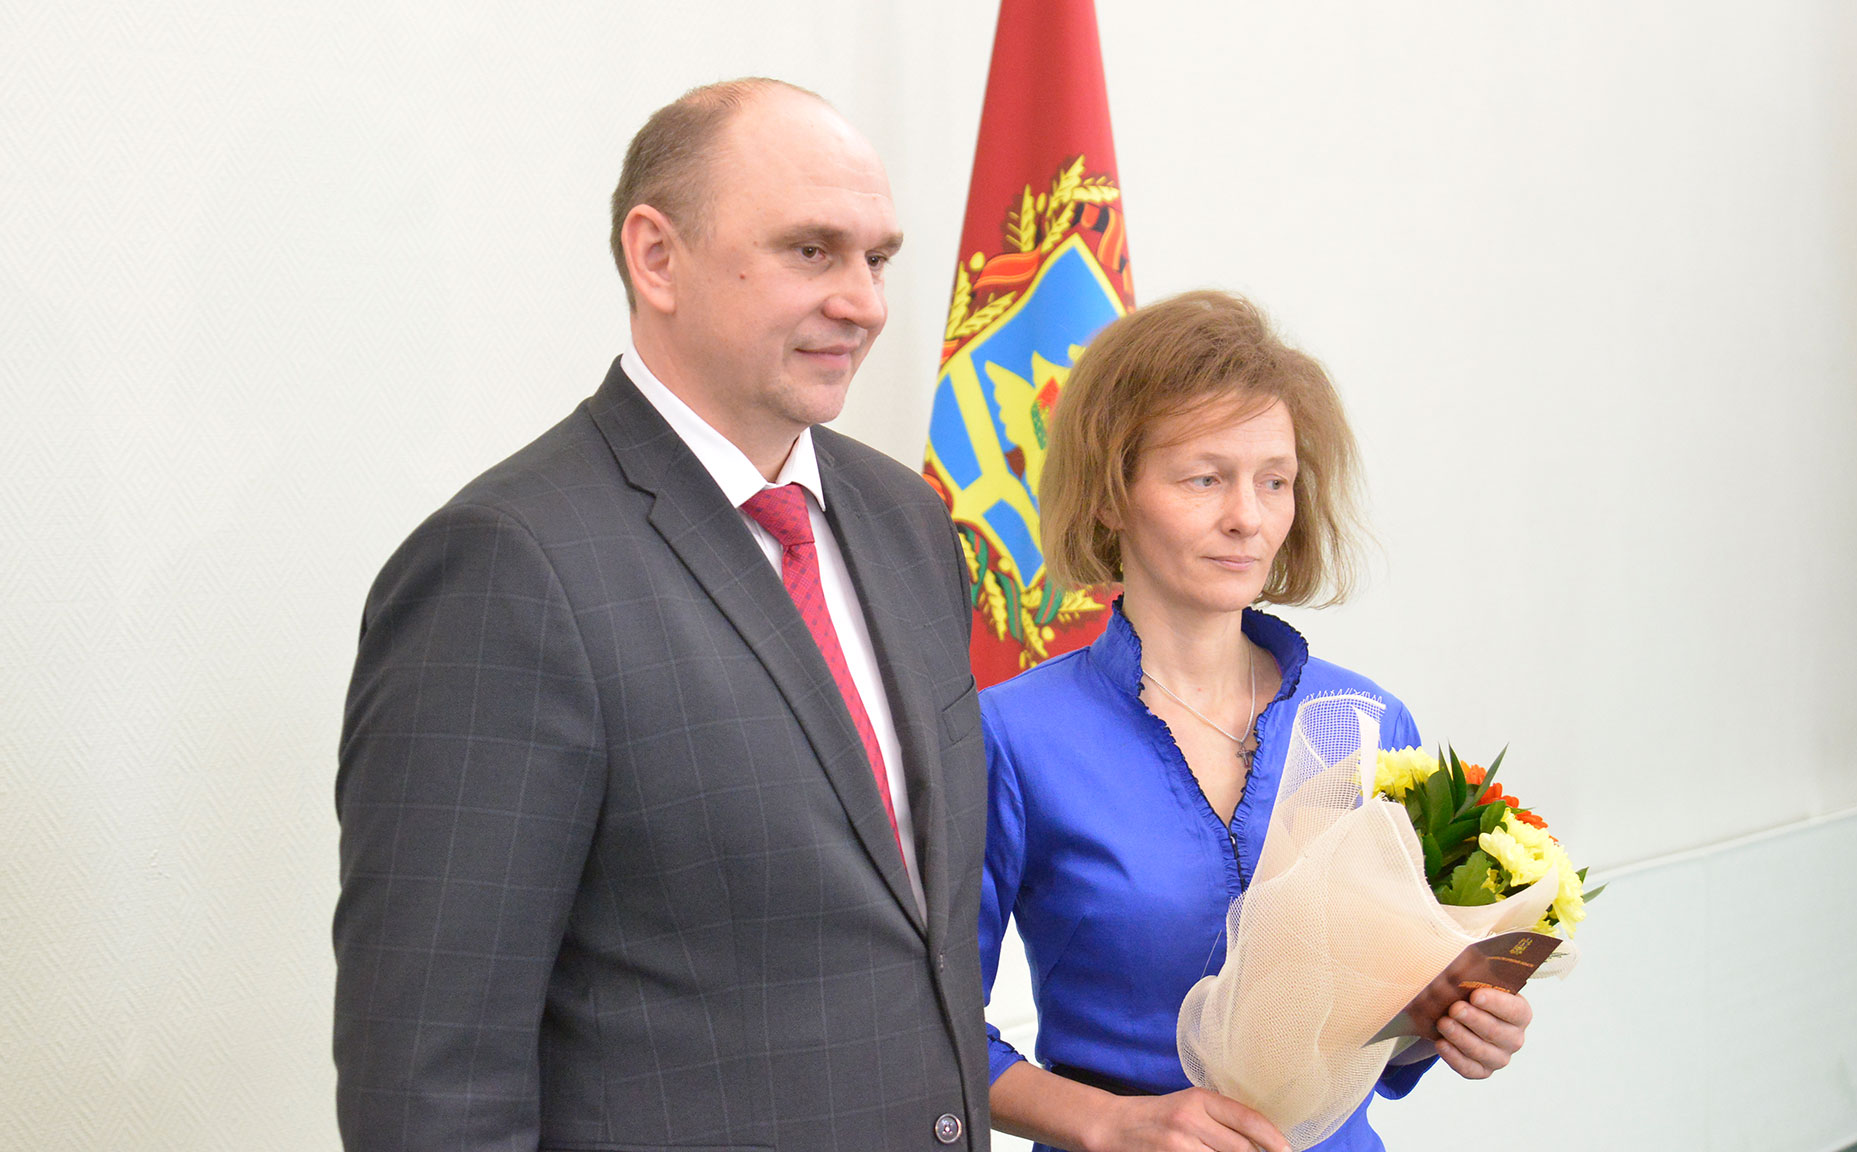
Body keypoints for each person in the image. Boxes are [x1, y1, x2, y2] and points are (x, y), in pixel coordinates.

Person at [334, 78, 989, 1151]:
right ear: (655, 257)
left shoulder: (908, 522)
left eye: (877, 259)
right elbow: (430, 1084)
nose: (866, 303)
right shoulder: (507, 568)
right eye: (812, 251)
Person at [976, 290, 1532, 1152]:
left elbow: (1386, 1028)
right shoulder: (1010, 736)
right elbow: (925, 1026)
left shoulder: (1368, 721)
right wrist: (1111, 1122)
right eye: (1205, 478)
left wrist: (1454, 1021)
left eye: (1275, 481)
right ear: (1111, 495)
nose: (1248, 516)